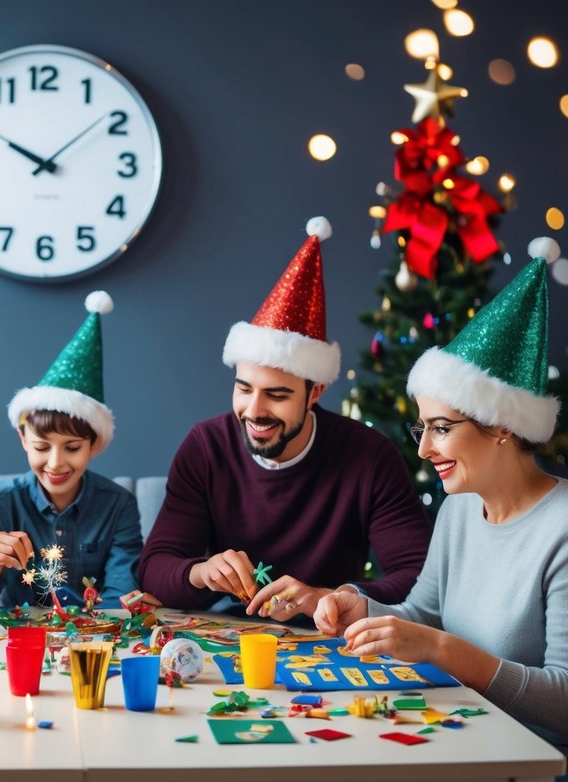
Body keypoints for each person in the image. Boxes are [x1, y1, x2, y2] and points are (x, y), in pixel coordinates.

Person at [287, 245, 568, 782]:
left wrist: (444, 652)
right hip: (483, 745)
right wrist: (358, 605)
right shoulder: (460, 510)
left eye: (441, 429)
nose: (424, 449)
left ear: (504, 426)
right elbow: (425, 613)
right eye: (422, 427)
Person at [136, 218, 431, 622]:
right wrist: (199, 572)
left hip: (326, 642)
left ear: (315, 392)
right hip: (228, 633)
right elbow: (153, 569)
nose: (255, 410)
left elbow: (420, 577)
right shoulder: (206, 447)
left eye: (277, 395)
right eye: (244, 388)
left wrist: (330, 597)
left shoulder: (369, 456)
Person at [0, 291, 142, 612]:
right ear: (23, 439)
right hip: (19, 638)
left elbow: (123, 591)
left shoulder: (117, 504)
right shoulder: (0, 500)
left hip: (94, 638)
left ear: (95, 444)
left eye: (72, 448)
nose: (56, 462)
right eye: (41, 447)